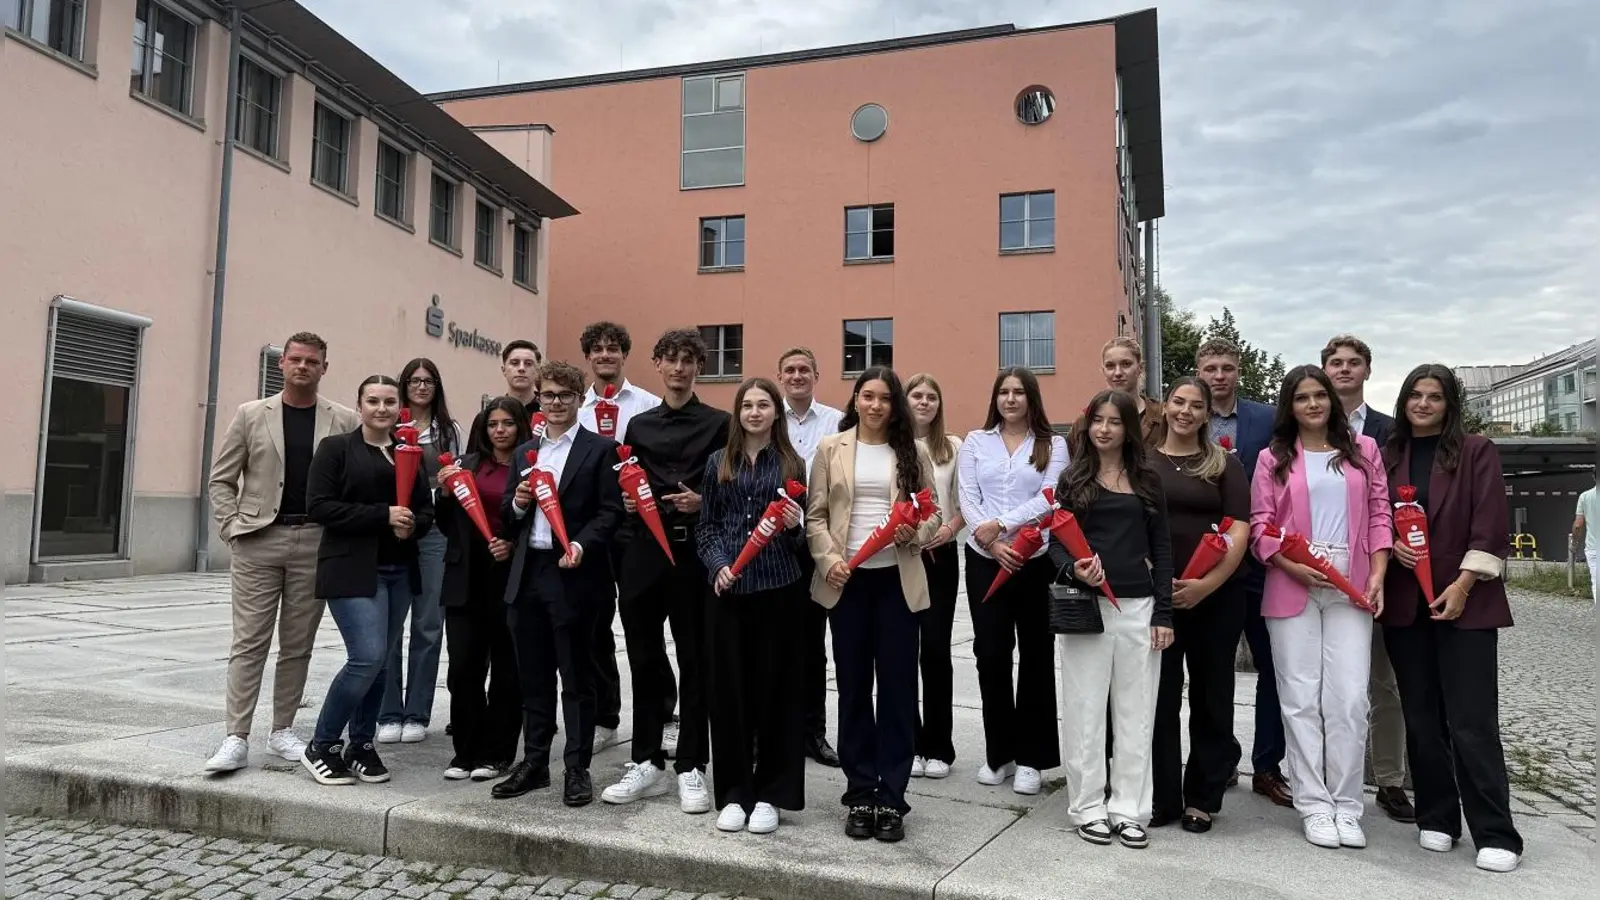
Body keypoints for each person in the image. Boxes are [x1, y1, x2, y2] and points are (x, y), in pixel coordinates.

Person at [1381, 364, 1523, 873]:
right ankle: (1437, 817)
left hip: (1465, 603)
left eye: (1434, 397)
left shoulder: (1475, 451)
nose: (1423, 404)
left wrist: (1463, 585)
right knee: (1421, 718)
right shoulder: (1389, 452)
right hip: (1405, 604)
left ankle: (1495, 830)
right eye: (1415, 395)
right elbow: (1377, 513)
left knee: (1472, 721)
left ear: (1449, 404)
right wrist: (1388, 544)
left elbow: (1490, 525)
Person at [1249, 365, 1391, 850]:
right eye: (1302, 397)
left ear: (1332, 400)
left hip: (1351, 586)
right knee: (1300, 699)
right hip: (1294, 587)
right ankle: (1314, 803)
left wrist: (1377, 573)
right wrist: (1289, 565)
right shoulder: (1273, 459)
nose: (1312, 404)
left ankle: (1348, 805)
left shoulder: (1364, 451)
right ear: (1289, 405)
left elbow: (1380, 514)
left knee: (1349, 698)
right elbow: (1260, 527)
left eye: (1319, 395)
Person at [205, 332, 359, 773]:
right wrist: (231, 528)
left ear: (324, 368)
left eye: (312, 361)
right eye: (296, 359)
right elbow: (221, 478)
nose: (303, 367)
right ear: (282, 364)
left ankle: (282, 731)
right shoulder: (252, 414)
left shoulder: (343, 420)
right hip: (258, 539)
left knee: (297, 644)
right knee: (249, 641)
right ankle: (236, 736)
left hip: (315, 541)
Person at [806, 366, 942, 843]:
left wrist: (916, 532)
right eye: (868, 396)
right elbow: (816, 515)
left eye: (885, 398)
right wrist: (827, 561)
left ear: (895, 404)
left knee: (900, 692)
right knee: (854, 688)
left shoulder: (914, 451)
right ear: (856, 400)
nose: (876, 405)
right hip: (848, 584)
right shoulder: (831, 448)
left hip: (897, 584)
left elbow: (933, 513)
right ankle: (860, 790)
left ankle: (893, 796)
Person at [601, 329, 731, 814]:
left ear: (699, 367)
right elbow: (625, 484)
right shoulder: (638, 425)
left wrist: (705, 500)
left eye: (688, 361)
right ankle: (646, 760)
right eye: (670, 360)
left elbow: (732, 485)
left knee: (696, 659)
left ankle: (692, 764)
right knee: (643, 657)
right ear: (657, 364)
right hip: (642, 555)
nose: (679, 369)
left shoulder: (721, 423)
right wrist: (629, 502)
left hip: (695, 553)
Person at [494, 362, 626, 806]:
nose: (555, 403)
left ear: (579, 399)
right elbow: (507, 520)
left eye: (565, 396)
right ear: (539, 397)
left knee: (576, 677)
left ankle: (576, 767)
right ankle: (534, 763)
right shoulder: (523, 453)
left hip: (574, 574)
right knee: (531, 677)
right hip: (528, 571)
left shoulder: (600, 449)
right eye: (548, 395)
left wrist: (583, 545)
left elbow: (611, 513)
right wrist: (516, 502)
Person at [1051, 390, 1173, 850]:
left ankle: (1129, 809)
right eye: (1098, 420)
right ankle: (1087, 806)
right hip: (1087, 608)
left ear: (1129, 428)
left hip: (1139, 607)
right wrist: (1074, 568)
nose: (1105, 429)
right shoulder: (1073, 478)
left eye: (1115, 421)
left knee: (1137, 711)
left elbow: (1162, 549)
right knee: (1084, 709)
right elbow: (1057, 544)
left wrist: (1164, 611)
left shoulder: (1147, 480)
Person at [301, 376, 434, 785]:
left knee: (380, 664)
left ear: (400, 408)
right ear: (359, 406)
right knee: (367, 657)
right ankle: (322, 743)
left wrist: (412, 526)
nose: (381, 408)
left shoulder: (409, 452)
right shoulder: (337, 449)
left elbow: (426, 513)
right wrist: (383, 516)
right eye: (373, 401)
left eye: (389, 402)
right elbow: (319, 507)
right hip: (352, 569)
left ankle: (361, 743)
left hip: (398, 570)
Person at [696, 377, 810, 834]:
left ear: (776, 414)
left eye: (764, 405)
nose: (755, 412)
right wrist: (718, 564)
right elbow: (706, 528)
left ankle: (771, 794)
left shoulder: (793, 464)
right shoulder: (717, 463)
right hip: (728, 592)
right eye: (748, 405)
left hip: (778, 591)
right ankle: (734, 793)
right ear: (738, 412)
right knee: (729, 696)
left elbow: (805, 538)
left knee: (776, 694)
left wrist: (795, 524)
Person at [958, 367, 1068, 795]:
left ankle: (1032, 759)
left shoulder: (1052, 444)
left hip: (1034, 560)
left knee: (1037, 656)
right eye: (1003, 391)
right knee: (991, 654)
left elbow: (1050, 495)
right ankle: (998, 753)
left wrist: (1003, 525)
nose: (1010, 399)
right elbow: (967, 495)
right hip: (986, 559)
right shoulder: (975, 441)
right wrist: (990, 542)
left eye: (1019, 392)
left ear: (1031, 398)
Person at [1149, 378, 1250, 833]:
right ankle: (1163, 796)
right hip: (1160, 598)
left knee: (1212, 697)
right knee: (1161, 697)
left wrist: (1205, 585)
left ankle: (1203, 797)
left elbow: (1239, 531)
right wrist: (1162, 584)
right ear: (1165, 407)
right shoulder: (1144, 463)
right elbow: (1134, 525)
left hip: (1215, 599)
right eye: (1178, 402)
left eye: (1196, 405)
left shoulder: (1225, 465)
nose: (1185, 411)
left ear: (1208, 414)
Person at [1322, 334, 1413, 824]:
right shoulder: (1304, 426)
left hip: (1381, 572)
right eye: (1335, 362)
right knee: (1323, 683)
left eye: (1353, 363)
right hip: (1319, 575)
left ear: (1368, 371)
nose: (1344, 370)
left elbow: (1398, 496)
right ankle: (1319, 777)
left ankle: (1390, 779)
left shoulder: (1390, 432)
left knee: (1382, 682)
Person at [1196, 337, 1286, 807]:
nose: (1219, 376)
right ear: (1199, 371)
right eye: (1210, 367)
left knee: (1273, 666)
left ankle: (1268, 765)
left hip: (1261, 563)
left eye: (1227, 367)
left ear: (1238, 371)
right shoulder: (1185, 415)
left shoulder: (1267, 420)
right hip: (1203, 562)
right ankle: (1220, 760)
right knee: (1213, 672)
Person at [575, 321, 667, 753]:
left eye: (613, 348)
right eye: (597, 349)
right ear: (588, 358)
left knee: (644, 625)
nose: (605, 355)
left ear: (624, 355)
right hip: (591, 527)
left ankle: (663, 712)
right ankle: (604, 715)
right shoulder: (576, 410)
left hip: (634, 528)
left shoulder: (649, 405)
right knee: (595, 626)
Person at [435, 398, 527, 782]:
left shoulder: (531, 466)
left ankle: (498, 752)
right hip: (466, 577)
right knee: (463, 669)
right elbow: (445, 523)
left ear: (519, 426)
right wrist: (441, 495)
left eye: (507, 423)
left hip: (509, 576)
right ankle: (465, 752)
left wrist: (510, 540)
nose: (499, 430)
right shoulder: (467, 466)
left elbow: (539, 522)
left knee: (507, 670)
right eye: (492, 424)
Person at [375, 358, 464, 745]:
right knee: (390, 626)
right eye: (414, 380)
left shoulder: (449, 430)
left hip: (434, 533)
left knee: (428, 625)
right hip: (393, 530)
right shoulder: (388, 427)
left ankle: (417, 713)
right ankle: (388, 711)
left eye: (429, 380)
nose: (421, 386)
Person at [779, 346, 845, 768]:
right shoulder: (766, 416)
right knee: (775, 643)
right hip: (775, 541)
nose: (798, 376)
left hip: (819, 543)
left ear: (816, 375)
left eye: (805, 369)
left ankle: (813, 733)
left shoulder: (836, 421)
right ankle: (775, 729)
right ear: (780, 377)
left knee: (813, 646)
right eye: (790, 370)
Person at [906, 373, 964, 780]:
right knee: (902, 653)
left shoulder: (953, 447)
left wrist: (947, 530)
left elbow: (962, 503)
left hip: (940, 554)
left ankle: (938, 745)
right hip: (903, 555)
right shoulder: (893, 446)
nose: (924, 402)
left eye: (931, 396)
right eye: (917, 396)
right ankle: (908, 741)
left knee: (936, 653)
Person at [1101, 336, 1165, 446]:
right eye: (1110, 366)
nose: (1117, 373)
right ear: (1104, 371)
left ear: (1140, 368)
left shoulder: (1163, 417)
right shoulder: (1087, 421)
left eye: (1126, 364)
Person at [1574, 474, 1598, 604]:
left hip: (1593, 548)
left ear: (1594, 477)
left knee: (1596, 582)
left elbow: (1578, 525)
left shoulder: (1585, 496)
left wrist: (1574, 543)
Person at [501, 340, 543, 413]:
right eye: (515, 363)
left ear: (538, 371)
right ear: (504, 370)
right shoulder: (492, 413)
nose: (521, 368)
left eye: (528, 363)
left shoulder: (549, 411)